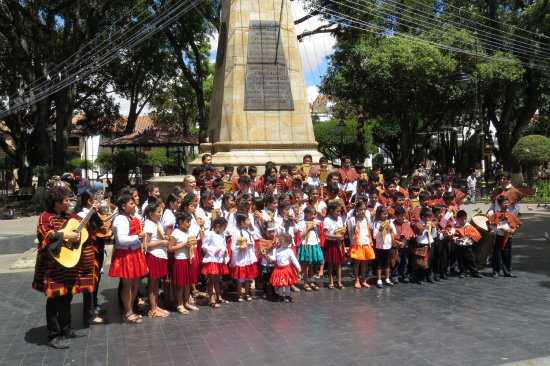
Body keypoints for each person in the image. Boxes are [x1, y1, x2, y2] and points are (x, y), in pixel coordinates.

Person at [33, 186, 93, 348]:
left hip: (69, 263)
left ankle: (66, 329)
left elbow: (86, 228)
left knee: (67, 297)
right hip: (54, 265)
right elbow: (44, 234)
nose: (69, 203)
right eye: (66, 200)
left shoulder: (71, 217)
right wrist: (66, 235)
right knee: (54, 299)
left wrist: (93, 214)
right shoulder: (46, 217)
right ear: (56, 203)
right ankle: (54, 334)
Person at [108, 193, 147, 324]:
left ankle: (130, 309)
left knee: (136, 283)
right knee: (127, 285)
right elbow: (121, 239)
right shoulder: (120, 219)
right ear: (123, 206)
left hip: (135, 252)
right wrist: (138, 237)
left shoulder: (130, 216)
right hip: (126, 255)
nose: (134, 205)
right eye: (131, 203)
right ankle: (128, 312)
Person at [76, 190, 106, 326]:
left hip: (96, 250)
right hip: (87, 252)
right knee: (89, 281)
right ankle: (89, 313)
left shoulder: (93, 213)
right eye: (95, 199)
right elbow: (99, 227)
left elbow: (101, 226)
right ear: (89, 201)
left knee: (96, 279)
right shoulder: (82, 215)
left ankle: (94, 306)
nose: (98, 202)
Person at [169, 212, 200, 314]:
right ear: (180, 222)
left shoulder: (188, 231)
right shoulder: (175, 233)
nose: (189, 223)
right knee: (180, 284)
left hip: (189, 259)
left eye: (190, 221)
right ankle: (180, 304)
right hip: (180, 260)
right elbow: (170, 248)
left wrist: (193, 243)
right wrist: (183, 245)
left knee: (188, 283)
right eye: (187, 221)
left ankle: (186, 302)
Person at [488, 195, 522, 278]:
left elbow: (514, 224)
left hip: (508, 237)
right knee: (497, 254)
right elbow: (491, 225)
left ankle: (507, 271)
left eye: (507, 203)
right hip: (500, 237)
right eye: (504, 203)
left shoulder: (510, 214)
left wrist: (513, 230)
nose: (506, 204)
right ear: (499, 204)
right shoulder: (496, 214)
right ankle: (496, 271)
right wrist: (501, 229)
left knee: (507, 254)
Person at [201, 217, 230, 308]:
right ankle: (211, 298)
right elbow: (204, 246)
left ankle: (219, 296)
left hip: (219, 259)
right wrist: (214, 250)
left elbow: (224, 245)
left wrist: (225, 251)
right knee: (211, 279)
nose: (225, 228)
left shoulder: (222, 234)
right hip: (212, 259)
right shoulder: (209, 234)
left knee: (218, 278)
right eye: (224, 226)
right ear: (218, 225)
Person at [230, 213, 259, 301]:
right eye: (248, 220)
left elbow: (256, 237)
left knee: (247, 277)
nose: (250, 222)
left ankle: (247, 293)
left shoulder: (248, 231)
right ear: (242, 222)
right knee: (240, 278)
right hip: (241, 257)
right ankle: (239, 294)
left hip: (248, 256)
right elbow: (233, 246)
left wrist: (250, 243)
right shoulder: (236, 232)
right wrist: (240, 246)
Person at [346, 201, 374, 289]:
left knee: (364, 263)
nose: (363, 211)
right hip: (357, 244)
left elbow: (370, 230)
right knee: (357, 262)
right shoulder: (352, 220)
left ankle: (363, 279)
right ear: (357, 210)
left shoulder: (367, 219)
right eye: (361, 209)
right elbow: (350, 232)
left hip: (365, 242)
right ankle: (356, 279)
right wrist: (353, 235)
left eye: (364, 209)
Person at [297, 206, 324, 291]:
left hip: (314, 244)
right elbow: (301, 235)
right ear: (306, 214)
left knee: (312, 264)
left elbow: (318, 234)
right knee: (305, 265)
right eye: (311, 214)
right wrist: (308, 228)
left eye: (314, 214)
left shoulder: (316, 222)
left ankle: (312, 281)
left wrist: (319, 228)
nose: (313, 216)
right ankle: (305, 282)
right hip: (306, 244)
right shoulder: (302, 223)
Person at [451, 210, 483, 278]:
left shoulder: (469, 226)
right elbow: (452, 236)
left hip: (467, 246)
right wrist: (457, 239)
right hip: (459, 246)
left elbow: (476, 234)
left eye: (465, 219)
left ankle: (474, 272)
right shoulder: (455, 227)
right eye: (461, 219)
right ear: (457, 219)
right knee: (461, 259)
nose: (464, 221)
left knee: (471, 258)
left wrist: (471, 240)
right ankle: (462, 271)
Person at [270, 233, 302, 303]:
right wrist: (268, 257)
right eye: (280, 240)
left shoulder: (289, 251)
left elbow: (294, 259)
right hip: (279, 269)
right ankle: (281, 296)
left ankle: (287, 295)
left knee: (287, 284)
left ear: (288, 242)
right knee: (280, 284)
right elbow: (274, 258)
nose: (280, 242)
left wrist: (298, 267)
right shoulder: (277, 250)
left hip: (287, 269)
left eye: (282, 241)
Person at [323, 202, 346, 289]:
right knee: (331, 263)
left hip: (339, 242)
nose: (339, 213)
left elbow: (343, 228)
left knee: (339, 263)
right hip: (331, 243)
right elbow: (325, 234)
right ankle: (331, 281)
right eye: (337, 211)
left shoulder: (340, 219)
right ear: (331, 211)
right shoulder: (327, 220)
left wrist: (343, 231)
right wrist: (336, 236)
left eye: (340, 211)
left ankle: (339, 281)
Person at [372, 206, 397, 288]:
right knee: (379, 263)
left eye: (386, 213)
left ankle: (387, 278)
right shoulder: (376, 223)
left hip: (388, 245)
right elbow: (375, 236)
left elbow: (396, 234)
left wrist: (391, 229)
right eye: (383, 214)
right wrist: (380, 230)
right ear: (379, 214)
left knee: (387, 263)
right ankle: (379, 280)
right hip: (380, 246)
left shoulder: (390, 222)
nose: (385, 215)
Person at [412, 208, 437, 284]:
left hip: (430, 244)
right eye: (429, 217)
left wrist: (433, 228)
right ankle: (420, 278)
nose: (430, 219)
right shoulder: (418, 225)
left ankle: (430, 276)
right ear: (423, 218)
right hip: (422, 245)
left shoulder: (431, 224)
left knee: (431, 261)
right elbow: (418, 236)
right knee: (421, 262)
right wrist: (425, 228)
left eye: (431, 217)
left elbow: (433, 235)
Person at [390, 206, 414, 284]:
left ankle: (405, 275)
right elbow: (393, 235)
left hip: (405, 246)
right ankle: (394, 275)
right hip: (397, 246)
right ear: (396, 216)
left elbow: (410, 233)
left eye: (404, 215)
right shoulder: (393, 224)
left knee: (405, 262)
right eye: (401, 216)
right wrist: (397, 242)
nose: (403, 217)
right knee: (396, 261)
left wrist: (408, 241)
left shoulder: (406, 224)